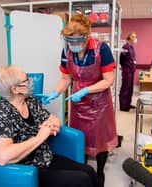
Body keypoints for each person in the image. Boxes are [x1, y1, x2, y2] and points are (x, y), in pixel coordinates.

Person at [36, 14, 118, 187]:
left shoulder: (101, 48)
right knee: (81, 139)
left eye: (76, 41)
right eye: (69, 41)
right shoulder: (67, 51)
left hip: (99, 102)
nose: (73, 45)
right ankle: (84, 172)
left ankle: (100, 172)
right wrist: (55, 92)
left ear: (86, 37)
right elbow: (66, 79)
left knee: (99, 141)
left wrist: (88, 89)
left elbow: (108, 79)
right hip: (78, 103)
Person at [0, 65, 98, 187]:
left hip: (45, 158)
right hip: (28, 169)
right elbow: (2, 157)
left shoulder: (30, 101)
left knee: (89, 171)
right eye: (26, 81)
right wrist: (40, 137)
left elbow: (54, 120)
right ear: (15, 89)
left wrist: (51, 125)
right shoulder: (2, 113)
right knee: (82, 180)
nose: (30, 82)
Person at [119, 32, 137, 112]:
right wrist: (125, 67)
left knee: (130, 88)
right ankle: (123, 106)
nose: (135, 38)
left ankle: (128, 104)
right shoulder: (125, 47)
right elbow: (121, 59)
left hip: (131, 70)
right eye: (133, 36)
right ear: (129, 37)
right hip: (127, 71)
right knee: (125, 88)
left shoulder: (131, 47)